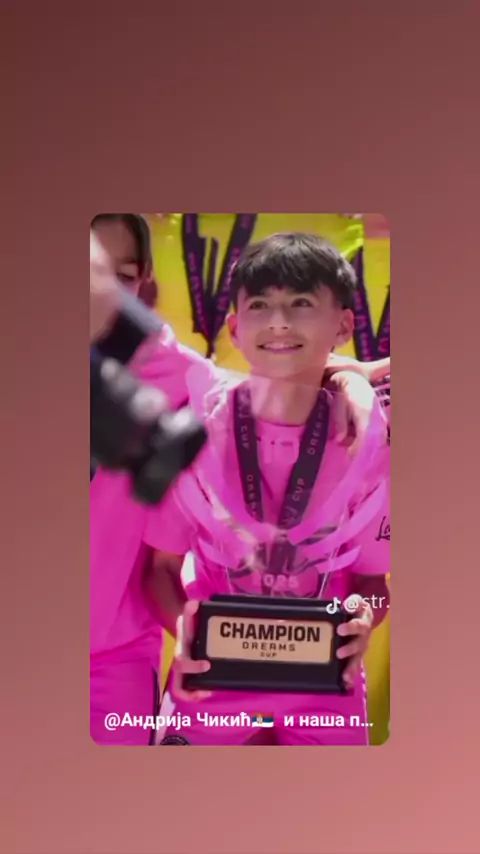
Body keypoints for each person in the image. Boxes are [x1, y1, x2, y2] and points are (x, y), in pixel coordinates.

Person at [89, 222, 390, 745]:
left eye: (123, 276)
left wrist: (346, 377)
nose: (279, 321)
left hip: (132, 660)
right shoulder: (204, 418)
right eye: (261, 306)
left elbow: (373, 582)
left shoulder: (174, 382)